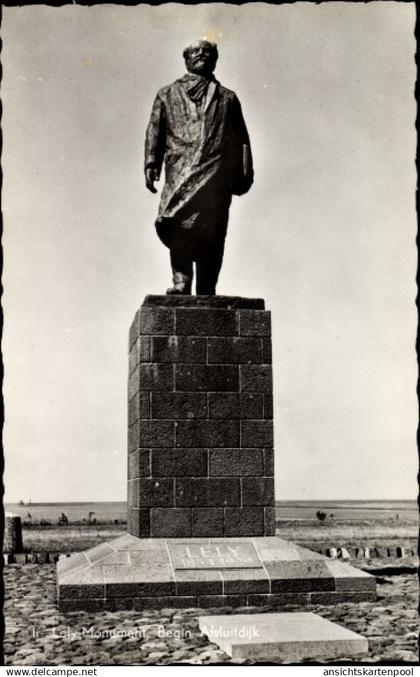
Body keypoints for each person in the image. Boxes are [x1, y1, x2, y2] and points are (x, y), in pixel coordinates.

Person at [144, 39, 254, 295]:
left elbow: (242, 138)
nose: (202, 54)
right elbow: (155, 130)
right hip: (180, 170)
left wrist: (245, 171)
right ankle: (181, 282)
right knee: (179, 224)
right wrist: (151, 161)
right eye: (196, 51)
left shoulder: (228, 98)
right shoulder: (167, 94)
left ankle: (207, 287)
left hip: (216, 174)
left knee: (213, 231)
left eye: (208, 52)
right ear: (186, 58)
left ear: (215, 60)